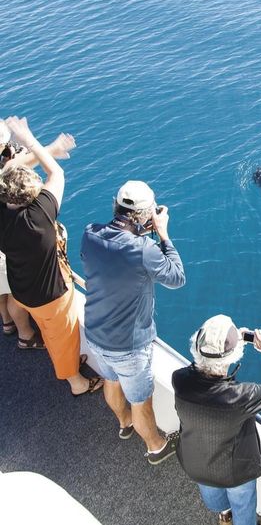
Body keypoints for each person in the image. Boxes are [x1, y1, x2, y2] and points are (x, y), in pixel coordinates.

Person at [80, 180, 186, 464]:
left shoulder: (90, 233)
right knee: (142, 400)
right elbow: (176, 278)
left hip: (95, 331)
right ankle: (156, 446)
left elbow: (106, 256)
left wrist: (141, 231)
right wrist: (162, 234)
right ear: (144, 215)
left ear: (116, 206)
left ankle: (124, 423)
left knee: (110, 380)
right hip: (128, 345)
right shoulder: (144, 249)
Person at [0, 116, 102, 396]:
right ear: (32, 196)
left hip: (21, 288)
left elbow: (14, 172)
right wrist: (29, 138)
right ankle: (76, 381)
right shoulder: (38, 217)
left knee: (48, 330)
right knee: (62, 339)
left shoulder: (6, 215)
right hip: (50, 296)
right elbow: (56, 174)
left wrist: (41, 147)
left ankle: (35, 340)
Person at [172, 315, 261, 525]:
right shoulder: (240, 397)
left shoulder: (179, 379)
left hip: (196, 461)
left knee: (213, 492)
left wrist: (230, 342)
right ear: (232, 357)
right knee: (243, 505)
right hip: (233, 472)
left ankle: (224, 517)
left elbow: (198, 368)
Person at [0, 117, 77, 349]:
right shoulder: (37, 218)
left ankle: (7, 323)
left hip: (15, 269)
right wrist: (48, 148)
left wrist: (48, 149)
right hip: (41, 293)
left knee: (9, 293)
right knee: (57, 332)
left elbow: (8, 173)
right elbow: (11, 171)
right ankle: (26, 337)